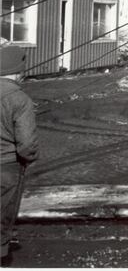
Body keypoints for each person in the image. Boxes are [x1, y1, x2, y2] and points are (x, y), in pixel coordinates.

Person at [1, 45, 39, 266]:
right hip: (7, 167)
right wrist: (30, 158)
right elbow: (26, 145)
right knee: (3, 214)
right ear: (17, 71)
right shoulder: (20, 99)